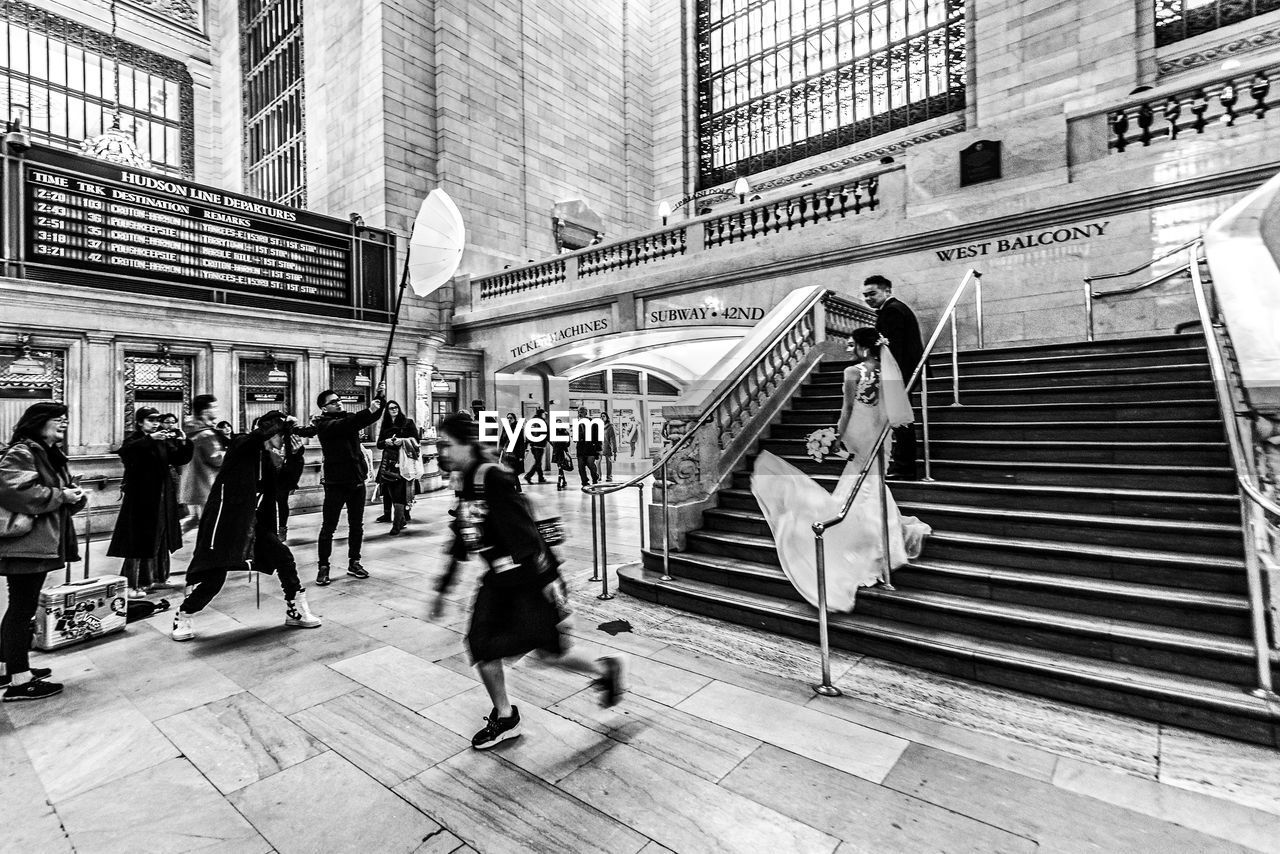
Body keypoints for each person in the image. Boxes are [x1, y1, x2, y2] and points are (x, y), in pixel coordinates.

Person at [434, 412, 625, 749]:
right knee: (481, 645)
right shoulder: (465, 481)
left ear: (465, 444)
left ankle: (604, 671)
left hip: (530, 581)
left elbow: (525, 535)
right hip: (498, 580)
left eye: (447, 445)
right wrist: (445, 584)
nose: (442, 452)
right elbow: (463, 531)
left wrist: (550, 584)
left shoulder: (492, 477)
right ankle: (505, 716)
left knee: (550, 655)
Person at [750, 327, 931, 611]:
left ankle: (863, 540)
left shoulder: (852, 372)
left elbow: (847, 408)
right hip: (880, 435)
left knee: (857, 484)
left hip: (858, 434)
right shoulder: (887, 371)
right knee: (873, 483)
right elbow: (892, 409)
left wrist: (836, 437)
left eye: (852, 343)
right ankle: (884, 538)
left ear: (862, 346)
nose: (849, 346)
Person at [172, 411, 320, 641]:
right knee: (215, 575)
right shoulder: (241, 445)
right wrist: (283, 422)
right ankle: (184, 614)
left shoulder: (269, 460)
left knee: (284, 557)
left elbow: (284, 484)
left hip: (253, 524)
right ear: (271, 431)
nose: (284, 439)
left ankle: (296, 609)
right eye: (282, 434)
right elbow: (256, 437)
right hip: (225, 522)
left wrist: (297, 455)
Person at [0, 403, 86, 701]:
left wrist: (73, 495)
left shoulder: (49, 454)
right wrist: (62, 495)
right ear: (38, 422)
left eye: (65, 418)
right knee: (22, 609)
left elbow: (57, 493)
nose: (63, 423)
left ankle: (8, 667)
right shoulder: (22, 451)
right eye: (56, 419)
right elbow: (15, 492)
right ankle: (19, 682)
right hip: (25, 544)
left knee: (20, 606)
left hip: (39, 540)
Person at [294, 383, 386, 586]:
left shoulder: (346, 419)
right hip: (336, 483)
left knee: (357, 525)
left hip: (356, 480)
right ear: (324, 408)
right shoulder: (324, 425)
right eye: (333, 402)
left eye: (339, 400)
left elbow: (371, 417)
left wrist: (381, 397)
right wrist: (369, 409)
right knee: (329, 527)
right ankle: (323, 567)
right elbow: (349, 424)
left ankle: (354, 562)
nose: (339, 403)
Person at [109, 407, 192, 597]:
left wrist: (183, 442)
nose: (155, 423)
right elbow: (125, 452)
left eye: (157, 420)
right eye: (150, 420)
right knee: (140, 539)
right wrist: (149, 440)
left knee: (161, 536)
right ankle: (134, 582)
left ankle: (157, 577)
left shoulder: (161, 442)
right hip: (141, 499)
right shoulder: (135, 440)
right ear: (139, 422)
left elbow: (180, 458)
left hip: (162, 497)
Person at [863, 274, 924, 480]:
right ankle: (903, 465)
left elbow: (894, 348)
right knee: (900, 419)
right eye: (865, 295)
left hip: (898, 373)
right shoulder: (894, 309)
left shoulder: (892, 311)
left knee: (901, 420)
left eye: (872, 293)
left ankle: (904, 467)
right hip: (900, 372)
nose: (868, 298)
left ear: (887, 291)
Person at [179, 395, 226, 535]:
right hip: (206, 484)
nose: (217, 411)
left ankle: (165, 541)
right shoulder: (206, 435)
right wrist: (228, 454)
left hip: (191, 485)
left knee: (194, 519)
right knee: (211, 523)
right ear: (205, 411)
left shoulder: (190, 431)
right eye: (214, 407)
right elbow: (217, 459)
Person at [375, 400, 419, 535]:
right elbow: (379, 444)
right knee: (389, 490)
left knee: (400, 491)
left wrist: (403, 441)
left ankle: (397, 523)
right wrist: (386, 442)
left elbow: (416, 441)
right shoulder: (385, 425)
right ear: (387, 411)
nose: (394, 410)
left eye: (396, 407)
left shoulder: (408, 422)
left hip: (403, 461)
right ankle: (399, 518)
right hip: (388, 461)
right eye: (391, 408)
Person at [272, 432, 305, 542]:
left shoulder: (287, 439)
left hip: (282, 479)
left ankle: (282, 529)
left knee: (282, 503)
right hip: (270, 478)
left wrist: (292, 483)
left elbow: (297, 462)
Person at [574, 407, 602, 488]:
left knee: (591, 465)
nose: (580, 413)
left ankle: (595, 477)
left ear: (586, 413)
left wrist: (598, 449)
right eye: (579, 411)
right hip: (580, 449)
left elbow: (597, 436)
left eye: (582, 412)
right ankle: (584, 481)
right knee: (581, 466)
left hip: (590, 448)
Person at [501, 413, 528, 493]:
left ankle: (515, 488)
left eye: (511, 418)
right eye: (508, 418)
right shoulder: (505, 428)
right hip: (506, 453)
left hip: (514, 454)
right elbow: (502, 440)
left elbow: (521, 443)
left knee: (513, 471)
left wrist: (521, 456)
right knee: (509, 471)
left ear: (514, 419)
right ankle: (515, 488)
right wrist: (499, 452)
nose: (509, 419)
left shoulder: (518, 428)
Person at [523, 407, 549, 485]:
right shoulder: (543, 422)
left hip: (533, 446)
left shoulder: (531, 422)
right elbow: (546, 434)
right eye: (544, 414)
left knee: (538, 462)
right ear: (542, 414)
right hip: (540, 445)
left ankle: (540, 477)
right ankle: (528, 476)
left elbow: (527, 434)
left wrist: (527, 444)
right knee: (537, 462)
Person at [601, 412, 617, 481]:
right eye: (601, 416)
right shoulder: (600, 426)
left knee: (609, 462)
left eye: (604, 416)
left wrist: (614, 450)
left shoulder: (610, 426)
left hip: (608, 446)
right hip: (600, 446)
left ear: (607, 417)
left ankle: (609, 476)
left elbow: (613, 439)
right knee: (598, 462)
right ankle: (599, 476)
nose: (602, 418)